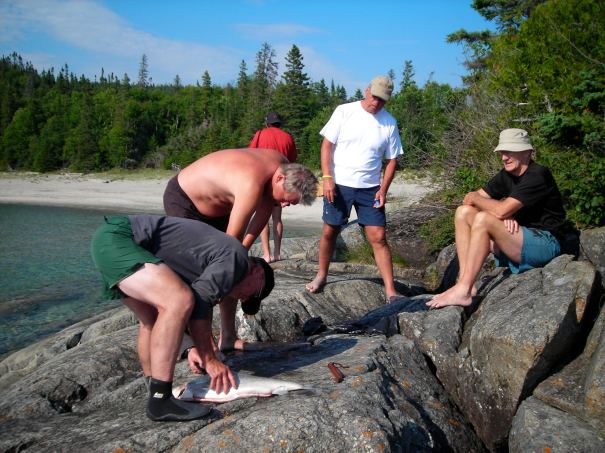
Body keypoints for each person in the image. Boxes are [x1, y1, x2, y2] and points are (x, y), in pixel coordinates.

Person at [91, 215, 274, 421]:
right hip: (122, 239)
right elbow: (200, 303)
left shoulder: (211, 263)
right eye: (252, 294)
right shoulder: (238, 258)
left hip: (112, 240)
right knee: (178, 299)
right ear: (257, 271)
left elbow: (182, 313)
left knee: (151, 319)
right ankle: (161, 401)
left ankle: (154, 389)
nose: (243, 298)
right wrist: (210, 359)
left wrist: (191, 348)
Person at [427, 128, 567, 309]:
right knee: (463, 212)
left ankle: (463, 290)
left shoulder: (538, 174)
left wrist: (501, 212)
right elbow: (469, 202)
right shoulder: (506, 175)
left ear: (526, 152)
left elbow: (487, 204)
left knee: (484, 219)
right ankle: (465, 283)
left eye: (509, 151)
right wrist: (504, 214)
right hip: (517, 239)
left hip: (547, 243)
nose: (504, 157)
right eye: (502, 152)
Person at [305, 76, 403, 302]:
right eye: (374, 96)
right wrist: (327, 178)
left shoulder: (389, 122)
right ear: (367, 90)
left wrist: (383, 189)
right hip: (339, 183)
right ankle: (321, 275)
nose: (376, 103)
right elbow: (327, 145)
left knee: (378, 237)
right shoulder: (344, 111)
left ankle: (390, 290)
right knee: (330, 231)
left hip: (370, 189)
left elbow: (392, 161)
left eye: (382, 100)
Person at [163, 148, 317, 250]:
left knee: (226, 261)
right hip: (184, 199)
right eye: (285, 199)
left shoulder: (282, 164)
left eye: (290, 203)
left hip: (219, 210)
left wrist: (244, 250)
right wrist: (237, 255)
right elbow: (232, 239)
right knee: (193, 261)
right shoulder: (251, 185)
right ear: (280, 179)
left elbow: (264, 213)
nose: (284, 205)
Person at [249, 112, 297, 263]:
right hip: (280, 182)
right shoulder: (288, 137)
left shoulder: (260, 134)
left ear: (267, 123)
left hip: (264, 179)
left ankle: (266, 254)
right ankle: (277, 253)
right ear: (279, 123)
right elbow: (292, 160)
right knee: (277, 218)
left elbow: (251, 154)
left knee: (263, 216)